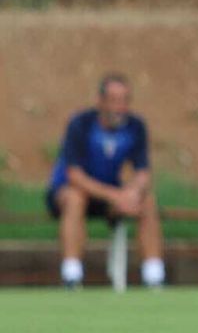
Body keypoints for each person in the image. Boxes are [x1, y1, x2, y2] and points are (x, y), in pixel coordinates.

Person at [47, 75, 162, 289]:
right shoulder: (81, 124)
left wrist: (132, 193)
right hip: (71, 191)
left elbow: (143, 172)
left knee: (147, 201)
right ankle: (71, 274)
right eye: (114, 100)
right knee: (75, 198)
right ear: (100, 101)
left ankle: (153, 275)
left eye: (125, 100)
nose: (120, 107)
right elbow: (74, 175)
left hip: (110, 196)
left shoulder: (135, 126)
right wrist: (116, 195)